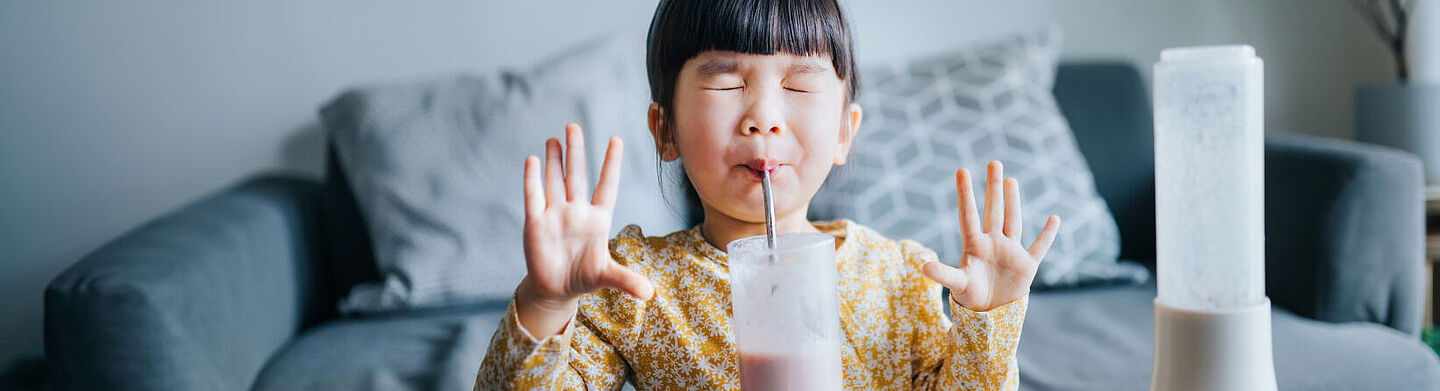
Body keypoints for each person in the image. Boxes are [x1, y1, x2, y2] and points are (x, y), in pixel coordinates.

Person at [476, 0, 1060, 389]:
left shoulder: (900, 277)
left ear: (843, 133)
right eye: (727, 81)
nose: (764, 118)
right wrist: (546, 304)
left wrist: (988, 324)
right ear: (666, 130)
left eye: (799, 84)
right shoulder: (632, 285)